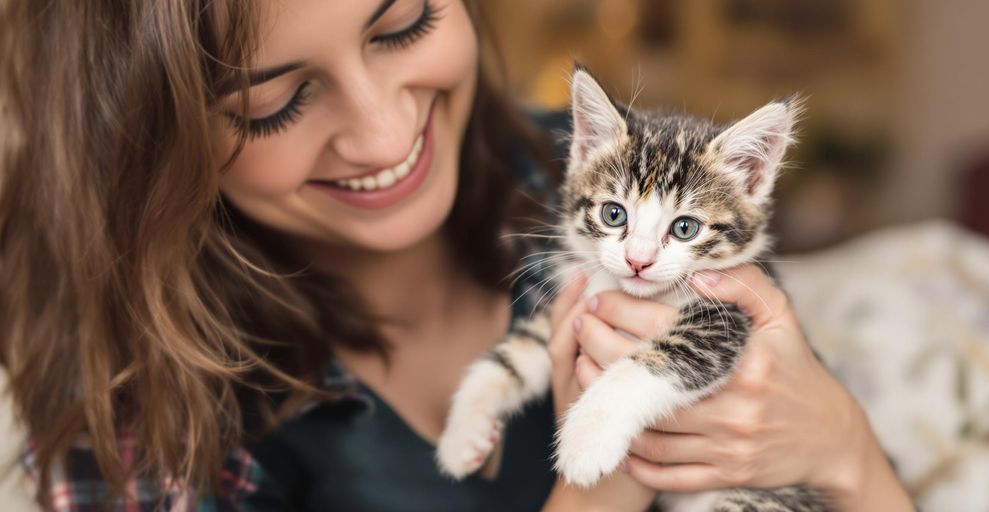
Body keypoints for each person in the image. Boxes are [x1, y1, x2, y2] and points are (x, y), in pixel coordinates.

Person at [0, 0, 915, 510]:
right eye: (273, 102)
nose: (383, 129)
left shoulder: (591, 173)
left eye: (401, 25)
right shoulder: (139, 413)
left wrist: (846, 449)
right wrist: (607, 482)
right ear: (148, 141)